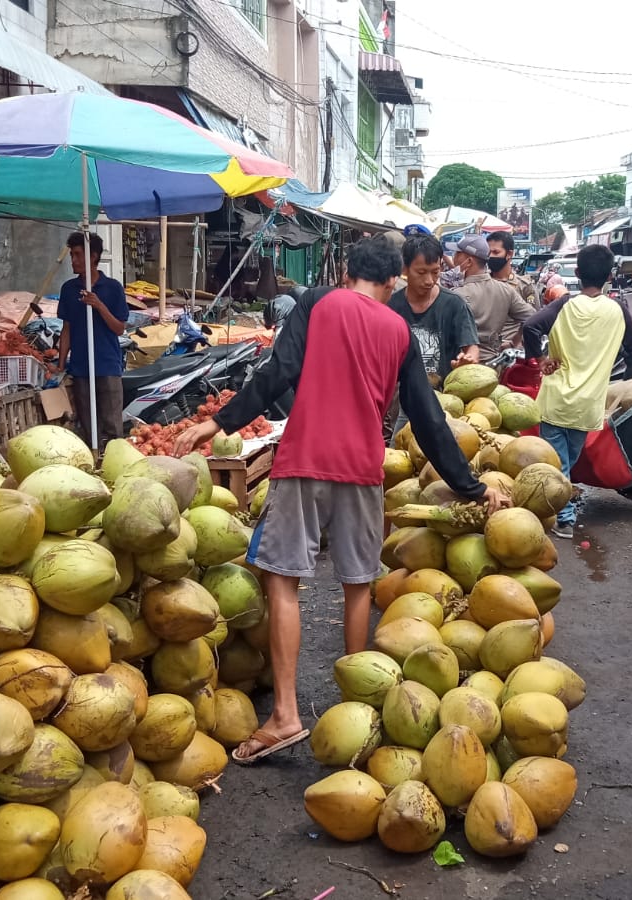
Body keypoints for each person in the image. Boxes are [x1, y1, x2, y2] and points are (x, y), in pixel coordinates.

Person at [173, 236, 511, 765]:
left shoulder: (319, 302)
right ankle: (361, 704)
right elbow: (427, 418)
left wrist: (217, 421)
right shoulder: (398, 329)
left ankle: (285, 713)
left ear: (346, 271)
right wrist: (472, 485)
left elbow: (277, 372)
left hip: (305, 459)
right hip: (363, 469)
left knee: (283, 580)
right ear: (393, 279)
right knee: (358, 584)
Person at [522, 245, 632, 539]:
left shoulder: (564, 304)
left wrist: (539, 360)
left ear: (577, 274)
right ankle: (562, 510)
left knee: (558, 463)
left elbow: (530, 327)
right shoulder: (617, 310)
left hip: (555, 401)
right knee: (568, 460)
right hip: (587, 405)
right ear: (609, 276)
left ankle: (563, 519)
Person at [56, 232, 129, 449]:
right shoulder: (68, 289)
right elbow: (66, 329)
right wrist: (60, 365)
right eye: (72, 255)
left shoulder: (113, 288)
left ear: (93, 257)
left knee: (112, 426)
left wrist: (99, 306)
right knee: (88, 428)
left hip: (107, 365)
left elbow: (119, 328)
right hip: (80, 368)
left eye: (78, 255)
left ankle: (114, 462)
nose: (73, 260)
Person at [389, 234, 479, 385]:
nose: (429, 280)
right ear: (404, 269)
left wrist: (468, 360)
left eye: (435, 272)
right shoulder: (392, 306)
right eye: (421, 272)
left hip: (445, 399)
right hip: (401, 398)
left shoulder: (454, 304)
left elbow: (472, 348)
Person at [455, 234, 534, 357]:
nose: (453, 259)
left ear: (469, 262)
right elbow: (534, 319)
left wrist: (514, 342)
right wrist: (514, 342)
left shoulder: (456, 295)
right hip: (494, 363)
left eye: (457, 254)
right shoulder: (506, 290)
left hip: (462, 364)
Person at [487, 231, 538, 311]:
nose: (490, 256)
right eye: (488, 252)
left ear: (509, 254)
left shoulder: (524, 287)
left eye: (496, 252)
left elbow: (535, 318)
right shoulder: (482, 283)